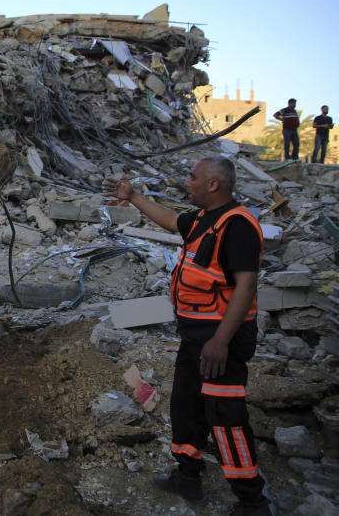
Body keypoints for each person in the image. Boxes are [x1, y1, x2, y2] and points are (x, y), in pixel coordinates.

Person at [102, 157, 270, 515]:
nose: (186, 182)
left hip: (221, 339)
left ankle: (252, 502)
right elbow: (170, 220)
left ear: (213, 185)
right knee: (187, 407)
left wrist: (221, 341)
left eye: (192, 177)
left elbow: (246, 285)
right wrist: (132, 196)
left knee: (225, 416)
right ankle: (188, 476)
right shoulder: (201, 219)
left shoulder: (238, 225)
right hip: (195, 336)